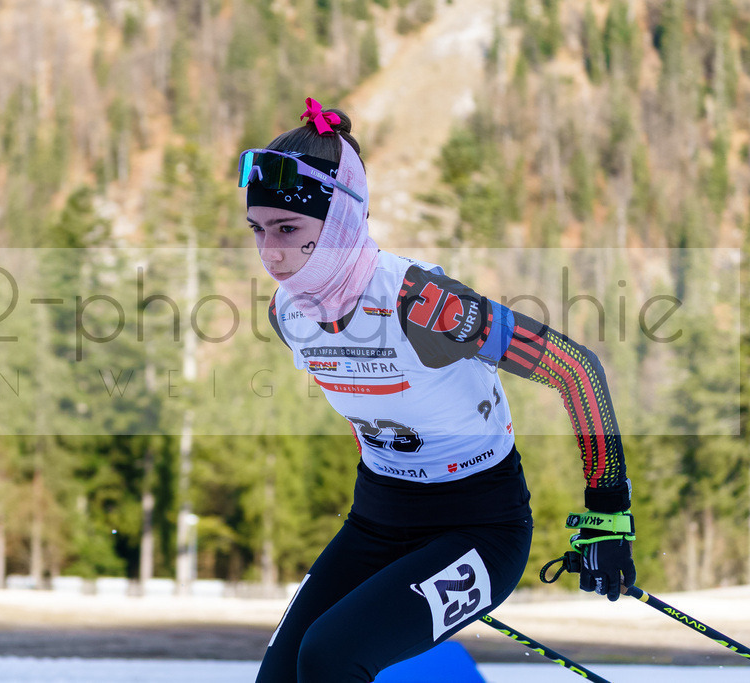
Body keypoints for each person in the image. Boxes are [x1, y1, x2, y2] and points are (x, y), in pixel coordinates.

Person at [240, 97, 636, 683]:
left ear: (343, 221)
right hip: (377, 522)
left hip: (481, 529)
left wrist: (609, 516)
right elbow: (370, 408)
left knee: (329, 658)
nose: (271, 253)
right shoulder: (288, 314)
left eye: (289, 229)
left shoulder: (423, 304)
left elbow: (575, 370)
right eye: (258, 230)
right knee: (279, 676)